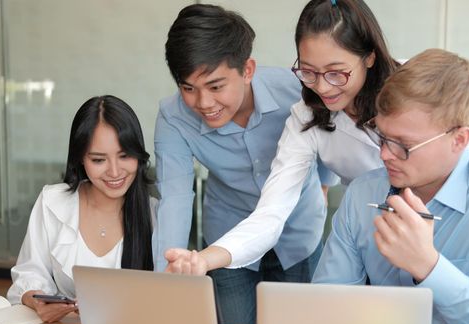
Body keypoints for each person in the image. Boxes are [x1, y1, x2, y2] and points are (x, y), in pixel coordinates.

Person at [165, 0, 397, 275]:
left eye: (336, 73)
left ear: (369, 57)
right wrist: (204, 260)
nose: (322, 86)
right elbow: (270, 214)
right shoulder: (306, 116)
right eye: (308, 72)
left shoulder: (412, 87)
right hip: (374, 234)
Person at [154, 4, 332, 324]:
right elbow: (175, 200)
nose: (203, 103)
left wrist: (323, 187)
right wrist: (167, 280)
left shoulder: (295, 90)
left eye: (216, 86)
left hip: (299, 233)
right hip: (226, 239)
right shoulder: (173, 116)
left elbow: (329, 140)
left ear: (247, 70)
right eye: (188, 88)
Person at [312, 48, 469, 324]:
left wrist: (429, 266)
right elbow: (329, 302)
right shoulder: (363, 193)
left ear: (459, 140)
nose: (384, 154)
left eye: (403, 145)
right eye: (382, 136)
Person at [7, 95, 156, 323]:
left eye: (125, 156)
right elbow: (30, 271)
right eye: (99, 160)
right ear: (81, 160)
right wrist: (37, 300)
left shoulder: (155, 214)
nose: (115, 172)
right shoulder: (53, 203)